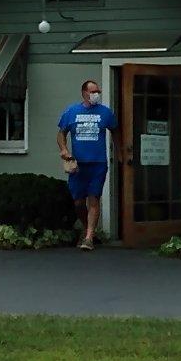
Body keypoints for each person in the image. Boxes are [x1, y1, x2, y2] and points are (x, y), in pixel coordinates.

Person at [57, 80, 120, 250]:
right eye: (93, 91)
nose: (96, 94)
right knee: (78, 202)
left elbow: (115, 132)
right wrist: (64, 149)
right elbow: (61, 134)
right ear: (84, 93)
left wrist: (118, 152)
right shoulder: (71, 112)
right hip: (77, 165)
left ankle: (89, 238)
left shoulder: (105, 113)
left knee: (94, 199)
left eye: (98, 91)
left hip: (98, 163)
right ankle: (87, 228)